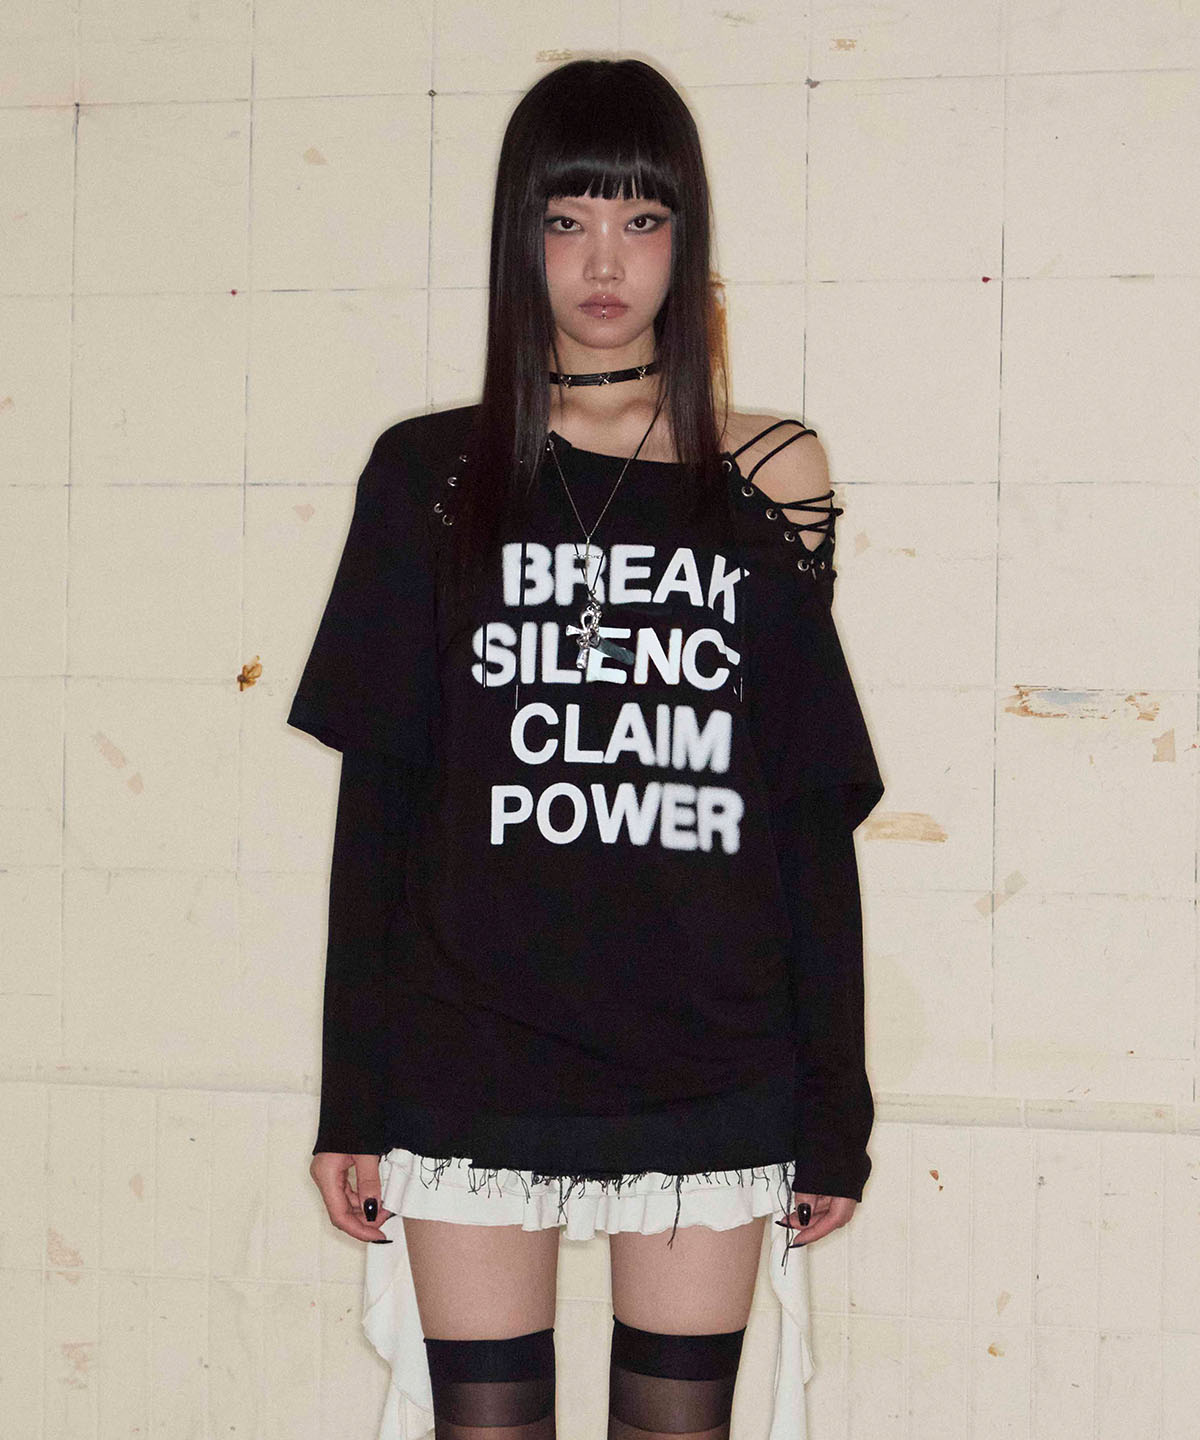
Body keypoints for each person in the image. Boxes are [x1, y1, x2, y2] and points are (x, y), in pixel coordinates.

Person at [288, 56, 885, 1440]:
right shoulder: (430, 475)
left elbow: (800, 805)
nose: (604, 262)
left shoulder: (766, 472)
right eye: (567, 221)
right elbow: (381, 806)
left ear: (687, 236)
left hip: (711, 1057)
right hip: (471, 1050)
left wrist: (834, 1107)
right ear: (522, 239)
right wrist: (350, 1101)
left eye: (641, 219)